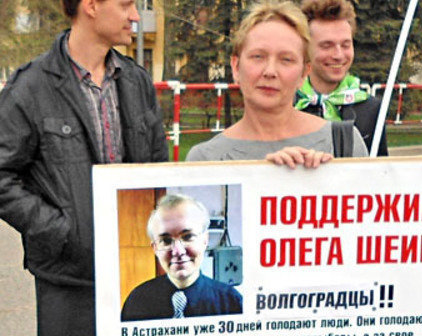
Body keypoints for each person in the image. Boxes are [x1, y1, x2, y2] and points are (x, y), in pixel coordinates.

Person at [0, 0, 169, 334]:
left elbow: (159, 170)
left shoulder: (137, 82)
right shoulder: (30, 87)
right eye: (126, 5)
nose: (135, 16)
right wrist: (58, 230)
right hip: (67, 279)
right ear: (91, 6)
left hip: (135, 271)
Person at [186, 0, 368, 167]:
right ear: (236, 66)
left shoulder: (344, 144)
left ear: (304, 73)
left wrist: (321, 182)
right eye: (258, 57)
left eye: (286, 59)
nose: (270, 71)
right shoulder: (204, 160)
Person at [121, 194, 242, 321]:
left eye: (188, 237)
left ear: (205, 240)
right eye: (166, 241)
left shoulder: (232, 303)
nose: (178, 251)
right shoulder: (137, 302)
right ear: (155, 248)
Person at [296, 0, 388, 156]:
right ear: (305, 48)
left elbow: (380, 173)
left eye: (345, 45)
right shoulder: (288, 103)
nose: (338, 55)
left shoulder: (370, 109)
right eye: (327, 46)